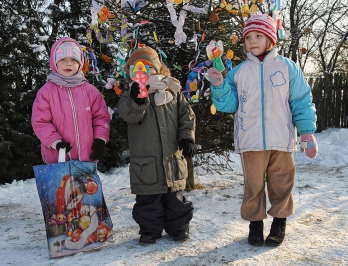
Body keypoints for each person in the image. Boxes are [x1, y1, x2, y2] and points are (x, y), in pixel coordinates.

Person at [206, 14, 318, 246]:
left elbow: (301, 100)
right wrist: (219, 87)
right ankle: (255, 225)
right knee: (254, 185)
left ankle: (279, 223)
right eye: (248, 38)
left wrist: (307, 132)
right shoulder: (239, 72)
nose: (252, 41)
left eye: (258, 36)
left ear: (270, 39)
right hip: (250, 140)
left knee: (282, 182)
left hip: (282, 139)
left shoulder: (288, 68)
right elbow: (228, 105)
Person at [117, 44, 196, 244]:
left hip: (171, 159)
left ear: (159, 69)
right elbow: (130, 115)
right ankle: (150, 230)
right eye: (140, 68)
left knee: (175, 199)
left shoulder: (173, 91)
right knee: (148, 202)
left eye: (150, 67)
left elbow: (186, 116)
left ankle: (178, 227)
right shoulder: (129, 95)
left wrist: (186, 137)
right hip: (146, 162)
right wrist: (138, 99)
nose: (147, 71)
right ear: (132, 72)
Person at [32, 36, 110, 164]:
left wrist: (100, 139)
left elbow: (101, 117)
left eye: (73, 60)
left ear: (80, 63)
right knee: (63, 185)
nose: (68, 63)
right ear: (54, 62)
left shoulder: (90, 91)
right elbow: (40, 122)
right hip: (58, 159)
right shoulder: (46, 92)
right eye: (63, 59)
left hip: (87, 158)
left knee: (87, 185)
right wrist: (55, 142)